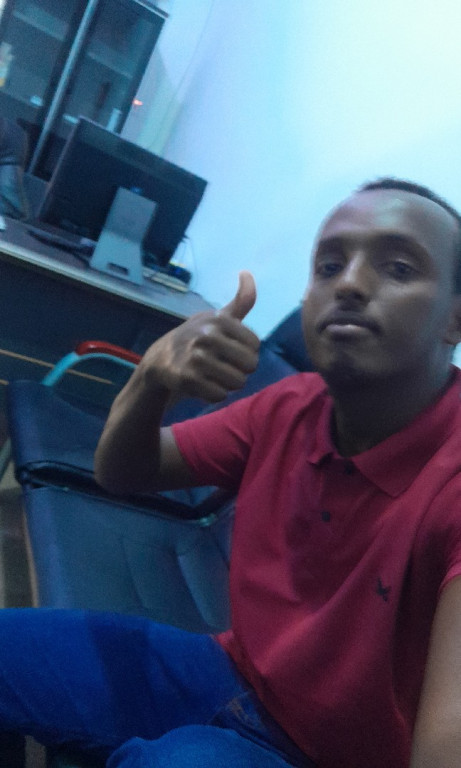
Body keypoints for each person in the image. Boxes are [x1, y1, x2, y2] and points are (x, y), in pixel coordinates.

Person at [2, 178, 461, 768]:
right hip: (229, 673)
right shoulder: (290, 404)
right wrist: (151, 381)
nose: (349, 283)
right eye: (328, 266)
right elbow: (121, 472)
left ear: (455, 318)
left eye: (398, 268)